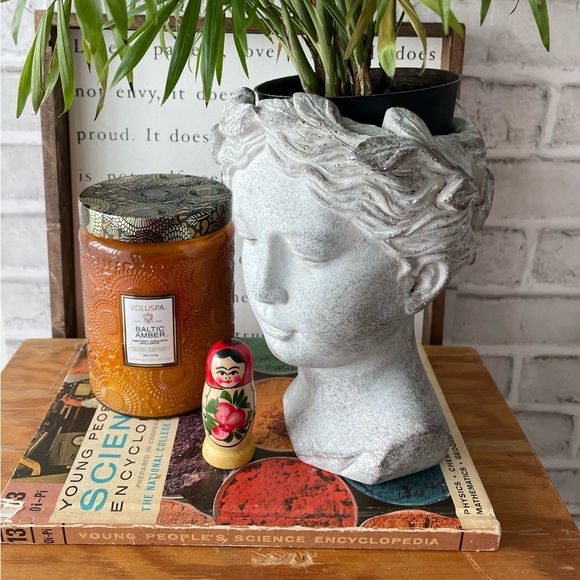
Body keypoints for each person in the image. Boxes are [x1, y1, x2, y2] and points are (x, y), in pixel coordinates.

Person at [211, 89, 492, 484]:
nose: (262, 287)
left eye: (310, 254)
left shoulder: (400, 436)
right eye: (251, 238)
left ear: (419, 280)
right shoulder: (300, 388)